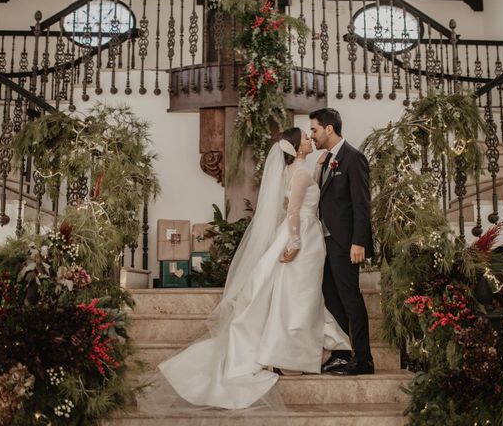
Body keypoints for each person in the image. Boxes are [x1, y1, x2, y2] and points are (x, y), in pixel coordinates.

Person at [150, 127, 350, 410]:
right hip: (303, 236)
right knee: (301, 294)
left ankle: (293, 350)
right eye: (305, 138)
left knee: (296, 293)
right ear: (296, 147)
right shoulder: (301, 173)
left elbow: (292, 200)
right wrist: (293, 243)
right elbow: (293, 211)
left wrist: (317, 170)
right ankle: (292, 353)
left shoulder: (294, 171)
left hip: (303, 233)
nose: (309, 140)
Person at [309, 108, 375, 375]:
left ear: (328, 129)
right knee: (332, 300)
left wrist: (358, 241)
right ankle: (341, 354)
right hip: (324, 242)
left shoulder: (353, 158)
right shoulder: (325, 161)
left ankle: (363, 359)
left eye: (314, 129)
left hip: (346, 243)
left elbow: (362, 204)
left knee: (350, 299)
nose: (311, 135)